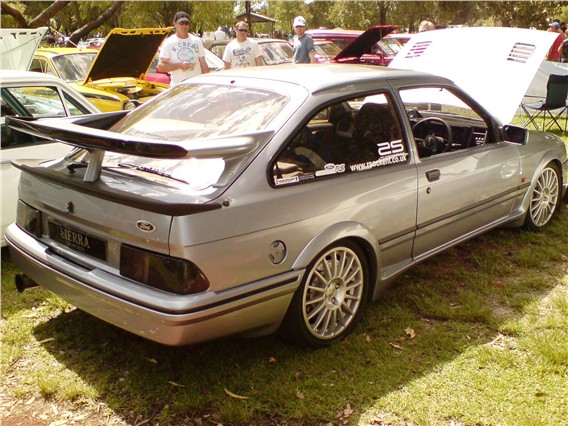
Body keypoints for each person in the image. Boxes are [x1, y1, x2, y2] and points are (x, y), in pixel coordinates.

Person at [158, 11, 209, 86]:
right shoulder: (169, 42)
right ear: (175, 24)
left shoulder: (196, 41)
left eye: (186, 23)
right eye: (181, 23)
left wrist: (207, 82)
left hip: (196, 86)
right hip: (178, 87)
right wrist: (180, 65)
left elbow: (203, 62)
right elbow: (161, 66)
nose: (184, 26)